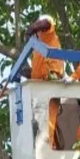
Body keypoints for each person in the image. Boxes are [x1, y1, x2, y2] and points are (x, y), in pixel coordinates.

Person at [25, 14, 66, 150]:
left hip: (51, 81)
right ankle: (47, 147)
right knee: (42, 120)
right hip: (41, 86)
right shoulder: (38, 49)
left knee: (47, 119)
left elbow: (47, 23)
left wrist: (31, 29)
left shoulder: (48, 36)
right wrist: (24, 73)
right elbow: (36, 72)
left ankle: (48, 148)